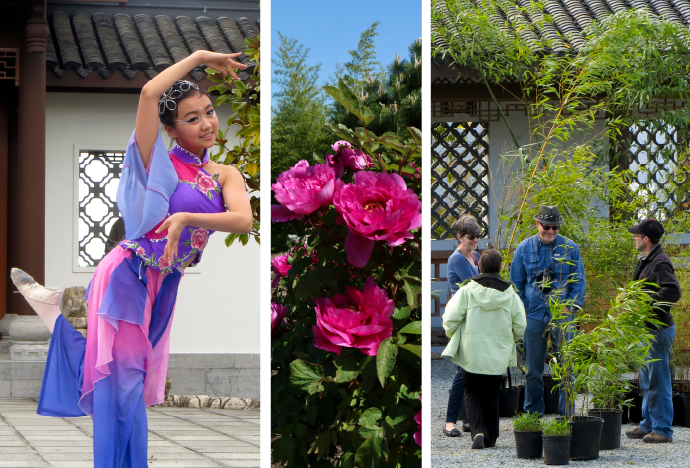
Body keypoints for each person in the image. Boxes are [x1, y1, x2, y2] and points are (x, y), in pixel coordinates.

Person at [10, 49, 253, 467]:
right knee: (118, 387)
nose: (207, 123)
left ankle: (67, 312)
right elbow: (146, 94)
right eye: (192, 118)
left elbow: (243, 221)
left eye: (209, 112)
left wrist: (187, 216)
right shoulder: (155, 160)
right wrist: (196, 57)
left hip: (166, 284)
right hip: (129, 272)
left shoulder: (226, 174)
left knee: (133, 385)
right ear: (170, 129)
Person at [442, 245, 526, 449]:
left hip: (471, 352)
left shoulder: (467, 290)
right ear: (500, 267)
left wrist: (454, 334)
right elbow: (520, 325)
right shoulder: (510, 294)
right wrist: (511, 339)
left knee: (471, 392)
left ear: (479, 266)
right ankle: (492, 437)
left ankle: (478, 430)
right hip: (497, 354)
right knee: (492, 394)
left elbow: (449, 319)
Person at [509, 205, 585, 416]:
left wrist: (569, 306)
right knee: (533, 369)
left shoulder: (571, 248)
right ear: (537, 224)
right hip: (533, 315)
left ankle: (567, 414)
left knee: (566, 367)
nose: (551, 231)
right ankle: (533, 413)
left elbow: (578, 282)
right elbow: (515, 283)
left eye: (555, 227)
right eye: (547, 227)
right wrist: (522, 308)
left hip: (562, 315)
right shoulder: (523, 248)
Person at [625, 219, 681, 444]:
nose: (634, 238)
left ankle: (662, 429)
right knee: (647, 381)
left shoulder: (659, 261)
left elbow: (673, 292)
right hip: (647, 330)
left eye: (636, 235)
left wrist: (644, 303)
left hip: (657, 331)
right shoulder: (647, 259)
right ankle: (648, 424)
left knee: (658, 381)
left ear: (646, 239)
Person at [443, 215, 481, 437]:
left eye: (477, 235)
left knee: (472, 368)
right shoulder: (456, 259)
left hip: (474, 317)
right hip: (463, 317)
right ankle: (449, 421)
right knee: (462, 370)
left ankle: (467, 419)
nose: (475, 240)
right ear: (459, 237)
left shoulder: (475, 255)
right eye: (470, 237)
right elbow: (477, 284)